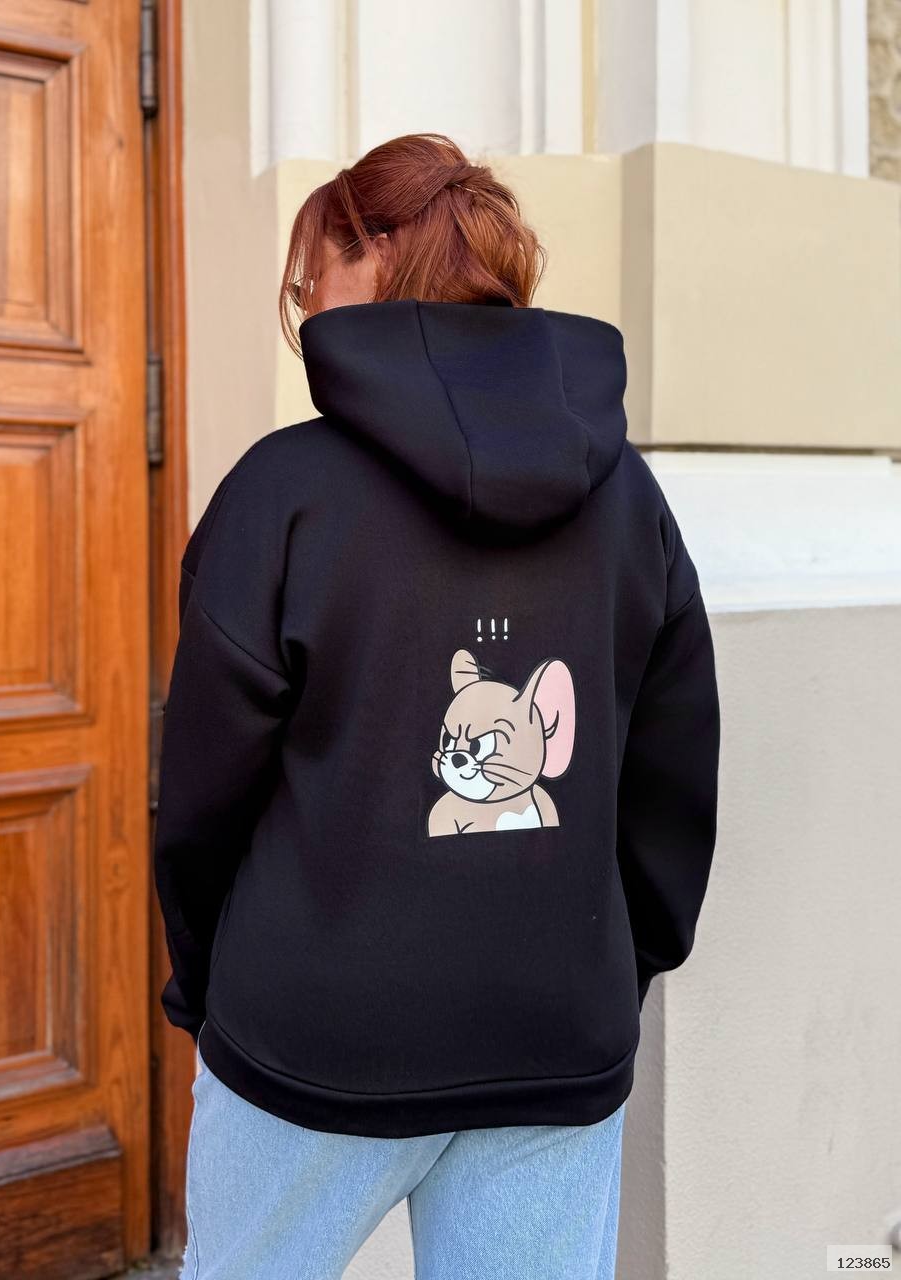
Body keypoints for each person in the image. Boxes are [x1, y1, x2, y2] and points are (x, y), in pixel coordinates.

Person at [153, 132, 720, 1280]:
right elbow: (675, 771)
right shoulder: (631, 499)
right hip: (552, 1037)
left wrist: (215, 985)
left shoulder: (283, 492)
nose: (306, 312)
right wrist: (610, 966)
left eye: (308, 280)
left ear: (369, 258)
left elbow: (203, 795)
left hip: (311, 1038)